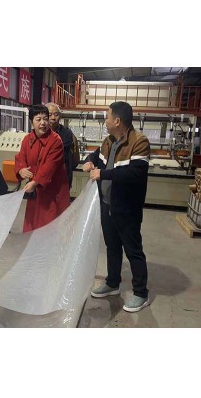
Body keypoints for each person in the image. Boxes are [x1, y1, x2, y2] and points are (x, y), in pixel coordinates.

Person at [82, 101, 151, 313]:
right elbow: (96, 156)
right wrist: (89, 161)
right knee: (112, 246)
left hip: (126, 208)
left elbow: (135, 174)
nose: (106, 121)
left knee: (133, 250)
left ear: (118, 121)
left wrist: (103, 173)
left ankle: (141, 293)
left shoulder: (139, 141)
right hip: (107, 203)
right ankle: (113, 283)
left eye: (107, 117)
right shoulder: (109, 140)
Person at [15, 104, 70, 233]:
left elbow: (49, 166)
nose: (43, 123)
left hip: (53, 192)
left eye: (45, 119)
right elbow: (21, 157)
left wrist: (35, 182)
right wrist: (21, 169)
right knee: (32, 227)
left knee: (50, 229)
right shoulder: (27, 139)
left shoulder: (56, 140)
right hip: (35, 192)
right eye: (38, 119)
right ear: (31, 122)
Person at [46, 102, 80, 189]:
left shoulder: (66, 134)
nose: (53, 118)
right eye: (50, 115)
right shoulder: (40, 133)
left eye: (56, 115)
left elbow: (61, 155)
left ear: (60, 116)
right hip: (43, 180)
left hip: (62, 179)